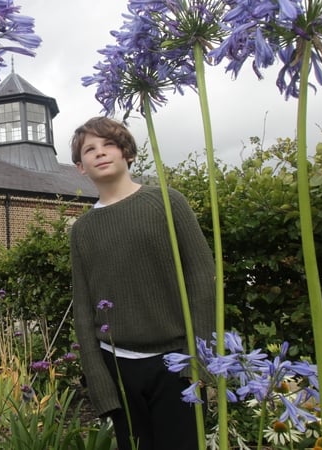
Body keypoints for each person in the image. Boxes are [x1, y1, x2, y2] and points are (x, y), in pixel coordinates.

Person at [69, 117, 215, 450]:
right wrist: (99, 382)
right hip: (117, 367)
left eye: (108, 144)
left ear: (128, 153)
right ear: (80, 167)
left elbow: (202, 278)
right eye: (90, 149)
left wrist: (199, 360)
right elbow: (82, 307)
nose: (100, 153)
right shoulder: (81, 229)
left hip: (176, 363)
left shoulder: (167, 201)